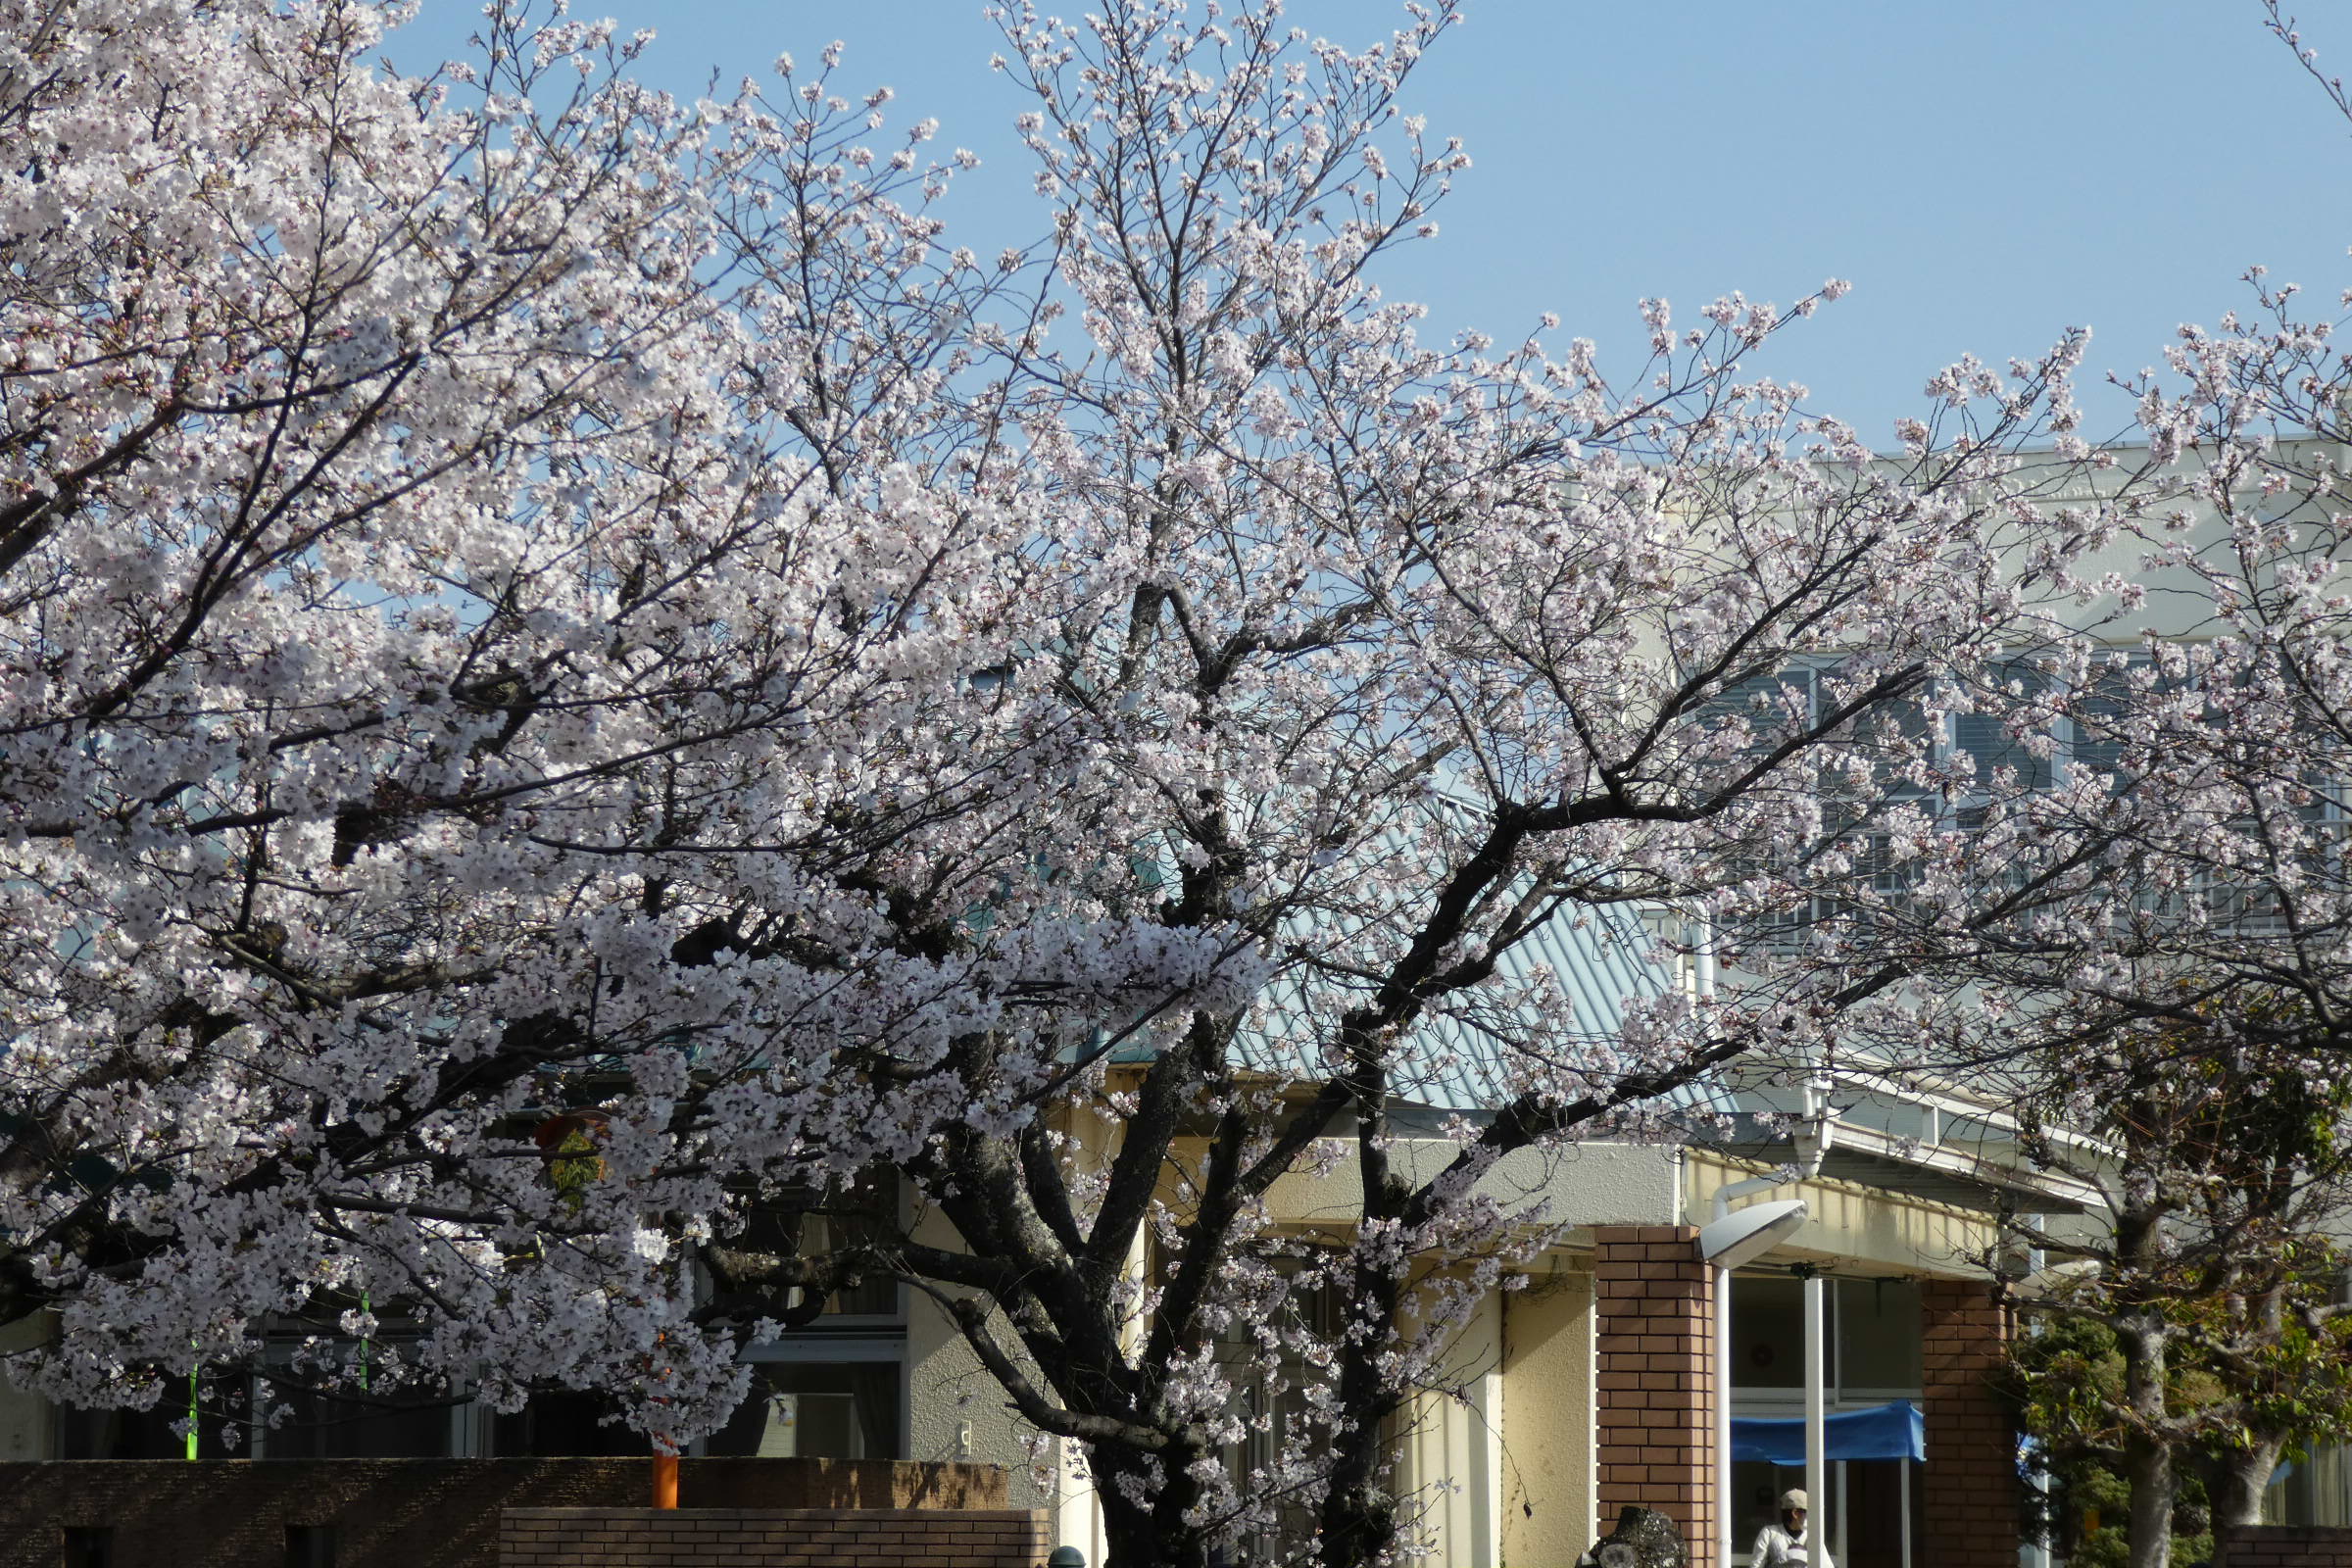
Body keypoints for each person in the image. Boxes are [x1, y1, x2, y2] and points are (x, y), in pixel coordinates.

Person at [1750, 1488, 1833, 1568]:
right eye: (1808, 1512)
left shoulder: (1812, 1537)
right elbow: (1756, 1565)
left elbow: (1827, 1566)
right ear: (1795, 1513)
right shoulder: (1769, 1533)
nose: (1811, 1517)